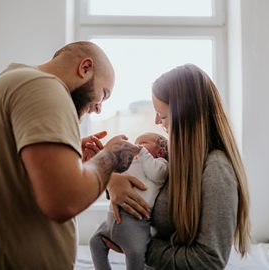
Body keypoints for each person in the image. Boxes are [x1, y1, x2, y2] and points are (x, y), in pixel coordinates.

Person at [0, 41, 140, 269]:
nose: (99, 108)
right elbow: (64, 199)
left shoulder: (15, 81)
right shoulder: (44, 88)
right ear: (85, 68)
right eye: (104, 94)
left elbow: (9, 169)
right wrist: (110, 158)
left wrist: (70, 156)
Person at [104, 64, 251, 269]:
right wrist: (112, 182)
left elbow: (209, 261)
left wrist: (137, 246)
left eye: (162, 115)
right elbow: (143, 185)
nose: (156, 121)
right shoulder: (176, 159)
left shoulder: (216, 169)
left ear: (185, 116)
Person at [89, 132, 169, 270]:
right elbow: (113, 176)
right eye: (137, 142)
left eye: (143, 143)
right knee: (95, 242)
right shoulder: (133, 162)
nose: (137, 145)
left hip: (135, 222)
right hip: (112, 218)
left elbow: (157, 174)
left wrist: (142, 152)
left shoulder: (160, 164)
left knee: (135, 253)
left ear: (160, 151)